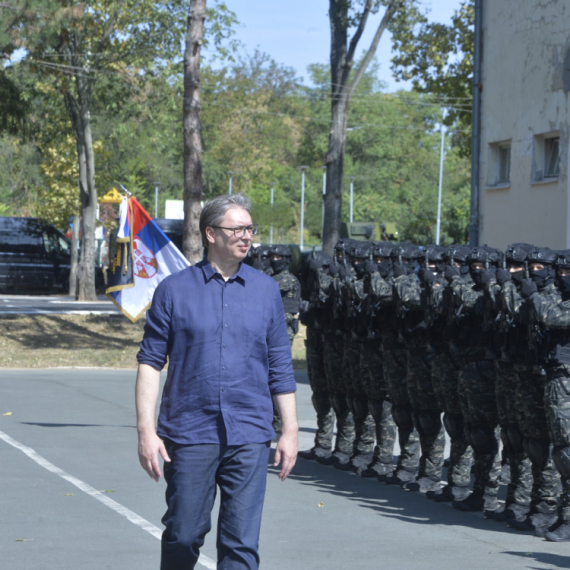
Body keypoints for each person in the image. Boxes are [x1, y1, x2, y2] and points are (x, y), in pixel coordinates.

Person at [135, 193, 298, 570]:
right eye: (237, 229)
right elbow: (150, 363)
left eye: (250, 229)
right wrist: (146, 431)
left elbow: (280, 365)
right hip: (190, 432)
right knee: (183, 533)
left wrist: (290, 430)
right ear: (211, 233)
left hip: (249, 433)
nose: (247, 236)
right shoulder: (174, 290)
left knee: (241, 544)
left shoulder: (266, 291)